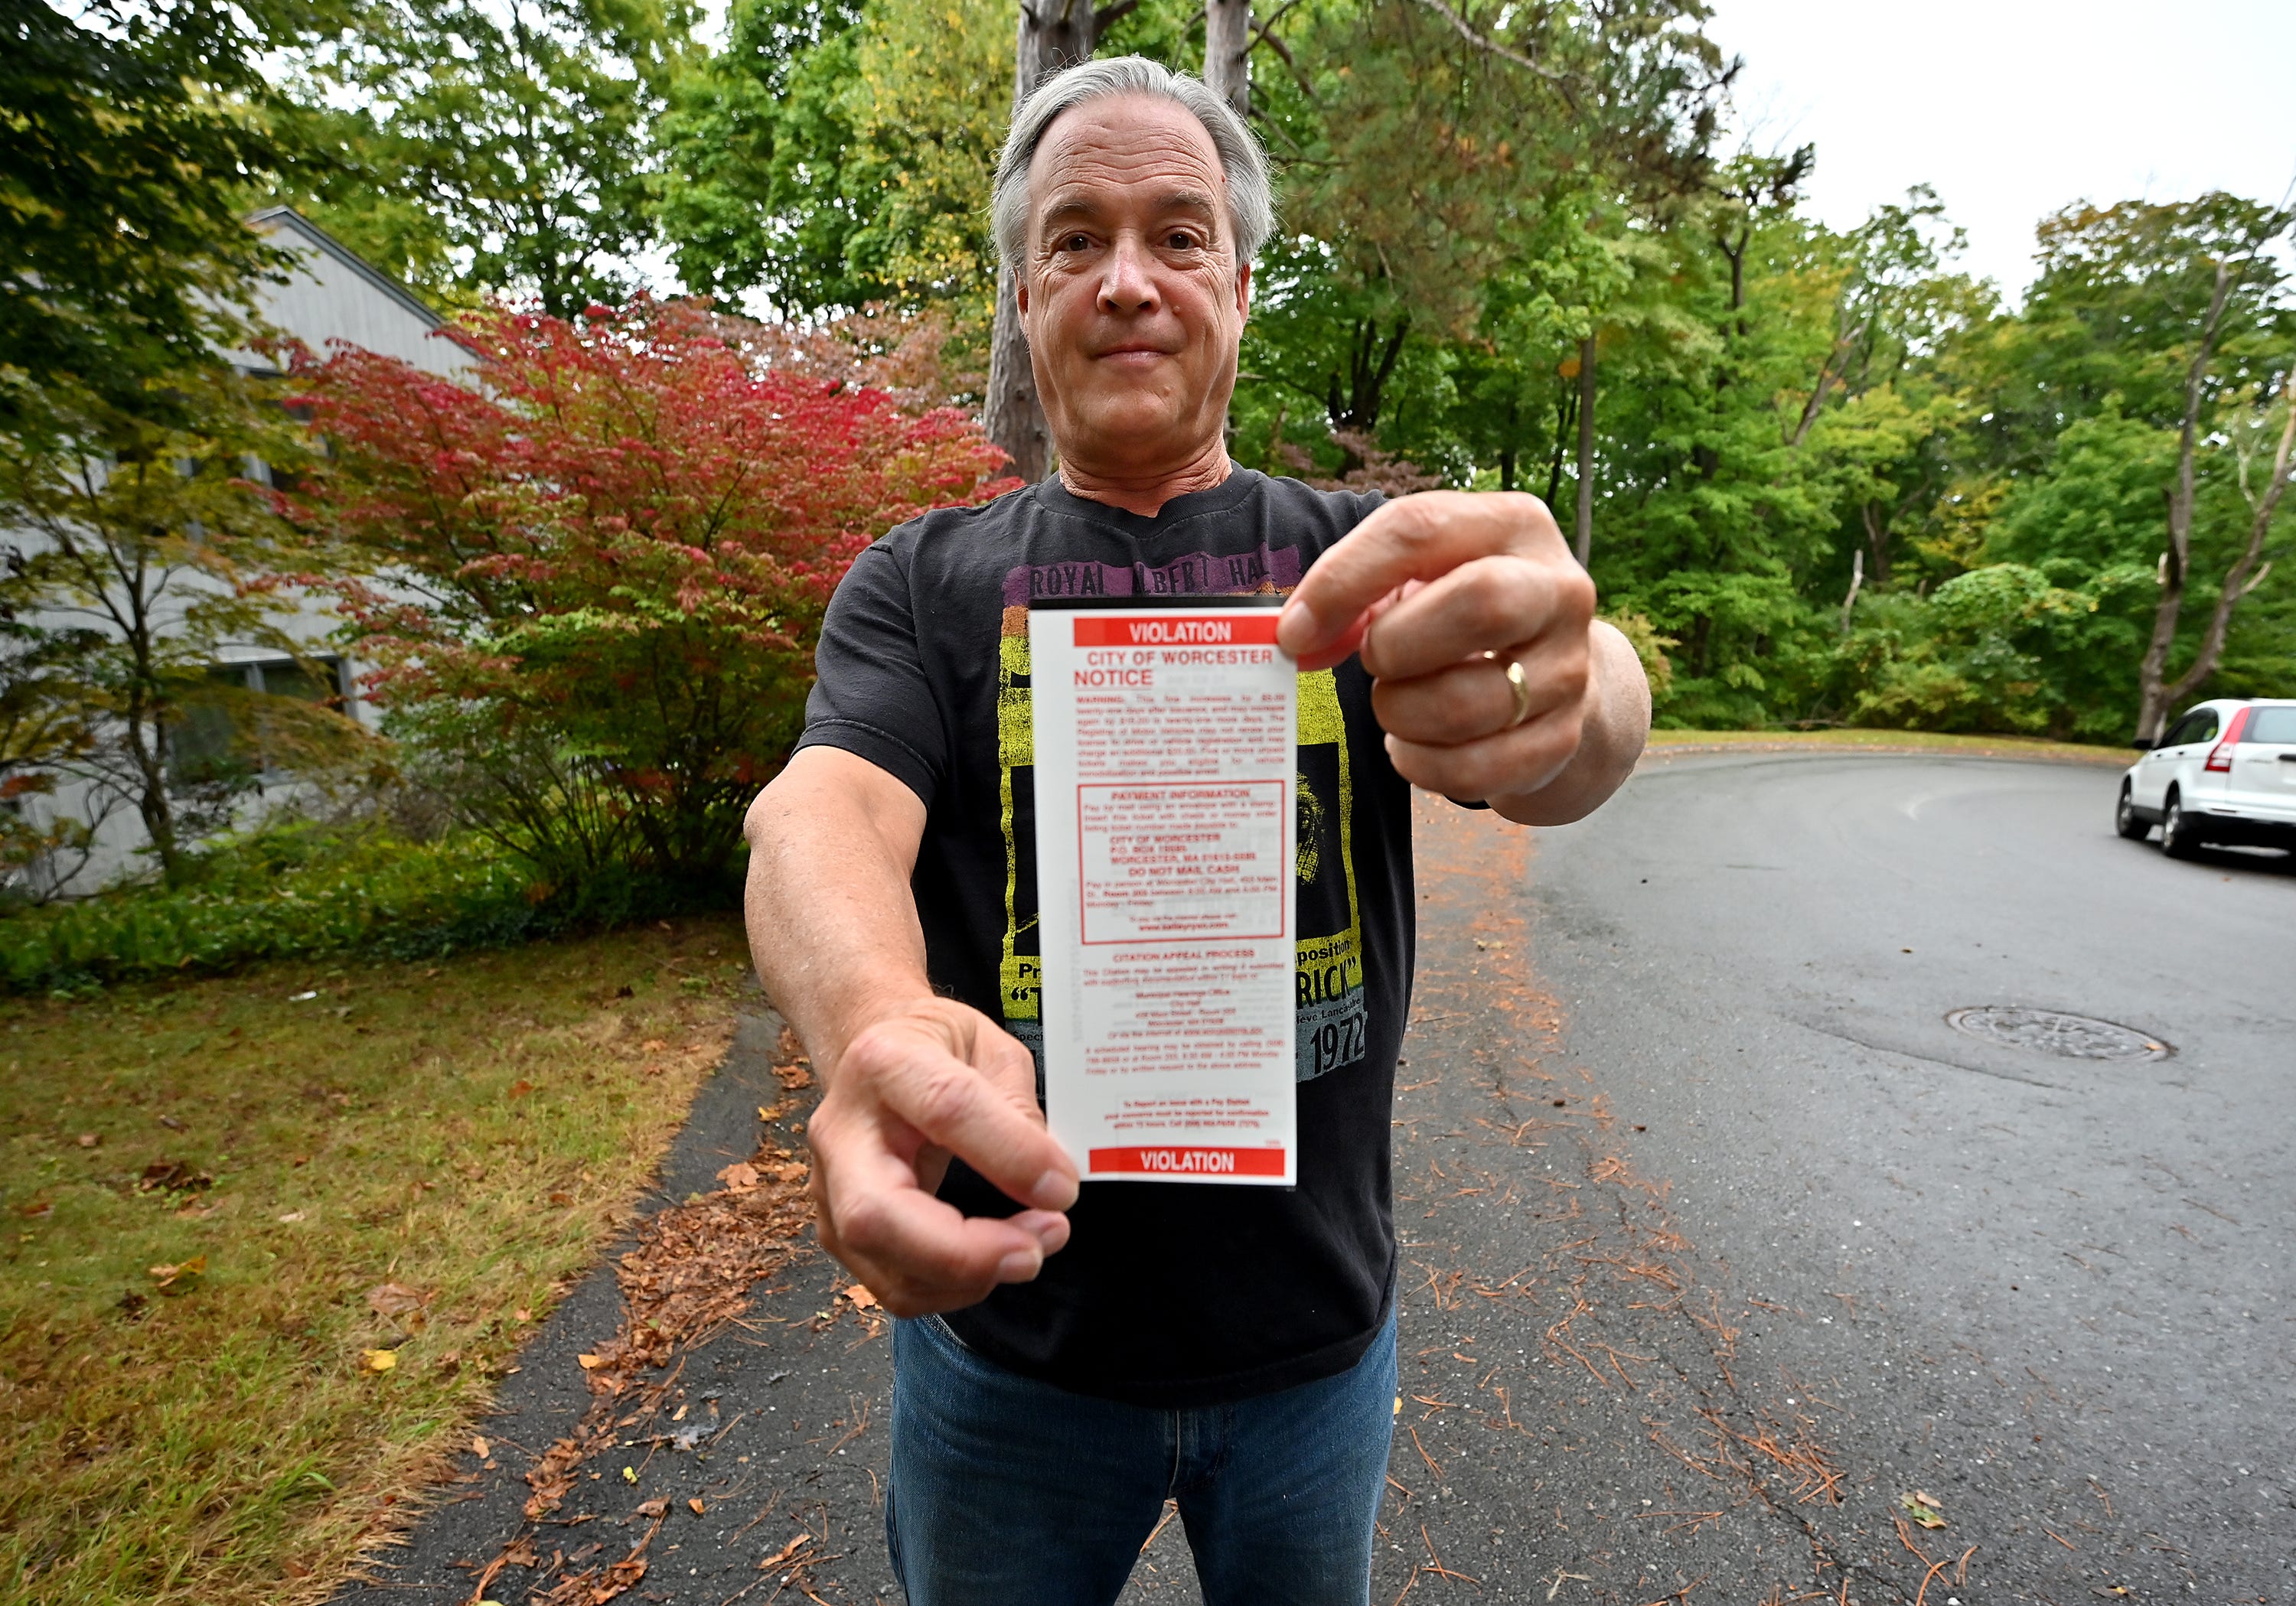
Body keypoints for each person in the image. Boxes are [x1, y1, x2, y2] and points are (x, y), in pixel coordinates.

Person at [742, 55, 1650, 1606]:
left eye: (1176, 236)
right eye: (1076, 240)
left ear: (1240, 281)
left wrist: (1584, 690)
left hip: (1314, 1361)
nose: (1127, 282)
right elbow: (816, 811)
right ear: (1024, 299)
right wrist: (875, 1027)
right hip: (1011, 1361)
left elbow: (1573, 739)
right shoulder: (919, 581)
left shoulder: (1354, 563)